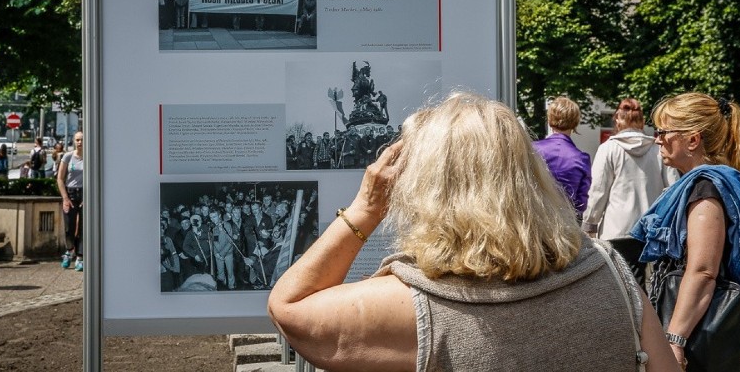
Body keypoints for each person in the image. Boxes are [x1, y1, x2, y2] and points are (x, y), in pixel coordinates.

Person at [268, 92, 678, 371]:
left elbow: (289, 309)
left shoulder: (416, 304)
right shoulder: (612, 275)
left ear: (427, 185)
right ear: (529, 174)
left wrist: (366, 208)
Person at [630, 93, 740, 370]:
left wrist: (674, 341)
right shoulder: (708, 184)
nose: (657, 139)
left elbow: (703, 271)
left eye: (664, 131)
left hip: (696, 339)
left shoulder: (706, 191)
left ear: (692, 139)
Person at [582, 98, 679, 289]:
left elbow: (598, 192)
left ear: (618, 120)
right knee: (646, 283)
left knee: (623, 286)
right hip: (651, 227)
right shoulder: (657, 149)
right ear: (642, 121)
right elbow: (673, 186)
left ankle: (632, 318)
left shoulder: (608, 148)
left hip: (617, 228)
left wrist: (590, 224)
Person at [533, 96, 592, 219]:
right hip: (566, 222)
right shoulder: (582, 159)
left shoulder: (533, 150)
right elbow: (581, 204)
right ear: (575, 122)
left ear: (549, 119)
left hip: (537, 219)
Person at [56, 131, 84, 272]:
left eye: (82, 140)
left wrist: (89, 197)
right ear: (74, 141)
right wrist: (65, 197)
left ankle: (80, 256)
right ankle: (69, 250)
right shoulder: (68, 156)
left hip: (85, 193)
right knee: (69, 226)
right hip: (71, 192)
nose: (80, 142)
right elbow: (60, 178)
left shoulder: (90, 156)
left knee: (84, 227)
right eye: (77, 140)